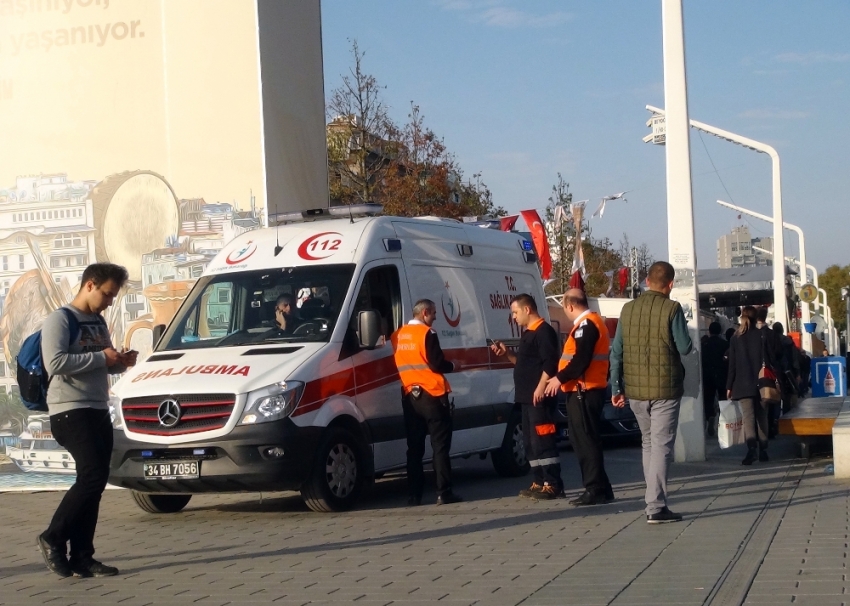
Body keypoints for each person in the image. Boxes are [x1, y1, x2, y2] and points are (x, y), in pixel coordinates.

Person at [37, 263, 136, 578]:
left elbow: (100, 364)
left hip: (96, 407)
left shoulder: (98, 321)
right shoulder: (60, 319)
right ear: (90, 285)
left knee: (95, 482)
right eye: (107, 294)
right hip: (69, 409)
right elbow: (54, 362)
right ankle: (53, 536)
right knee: (92, 477)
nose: (109, 301)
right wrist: (101, 358)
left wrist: (119, 363)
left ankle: (82, 556)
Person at [610, 261, 692, 524]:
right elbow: (685, 347)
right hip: (665, 389)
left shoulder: (628, 309)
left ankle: (652, 500)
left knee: (648, 443)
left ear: (646, 281)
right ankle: (655, 506)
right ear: (670, 285)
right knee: (661, 446)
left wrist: (616, 386)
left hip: (634, 391)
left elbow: (617, 351)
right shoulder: (672, 308)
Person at [544, 289, 614, 506]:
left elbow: (581, 359)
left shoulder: (586, 325)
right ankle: (603, 488)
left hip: (584, 390)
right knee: (586, 438)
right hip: (584, 389)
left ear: (570, 306)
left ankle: (594, 489)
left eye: (564, 307)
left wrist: (559, 378)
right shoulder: (590, 323)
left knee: (584, 441)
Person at [490, 293, 562, 500]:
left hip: (539, 398)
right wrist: (507, 354)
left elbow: (550, 363)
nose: (513, 317)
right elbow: (523, 363)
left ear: (527, 309)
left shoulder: (544, 332)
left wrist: (541, 387)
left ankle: (553, 484)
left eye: (515, 312)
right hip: (525, 398)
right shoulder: (527, 334)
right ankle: (538, 481)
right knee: (530, 443)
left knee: (543, 440)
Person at [391, 299, 462, 506]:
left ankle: (414, 495)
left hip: (410, 397)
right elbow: (436, 363)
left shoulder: (398, 335)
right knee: (439, 447)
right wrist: (453, 365)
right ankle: (443, 492)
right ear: (424, 313)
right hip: (433, 395)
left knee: (414, 448)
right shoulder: (427, 334)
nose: (435, 318)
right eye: (433, 314)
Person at [726, 306, 777, 465]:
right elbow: (771, 359)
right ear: (757, 318)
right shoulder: (762, 336)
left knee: (748, 418)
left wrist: (729, 386)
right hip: (762, 382)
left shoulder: (735, 338)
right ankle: (763, 449)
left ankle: (751, 449)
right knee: (762, 416)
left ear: (742, 317)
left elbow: (732, 365)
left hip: (742, 383)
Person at [701, 322, 729, 438]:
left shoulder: (704, 344)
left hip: (708, 376)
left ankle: (710, 416)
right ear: (720, 331)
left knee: (708, 399)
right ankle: (722, 421)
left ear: (709, 330)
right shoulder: (725, 344)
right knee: (723, 399)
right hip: (722, 375)